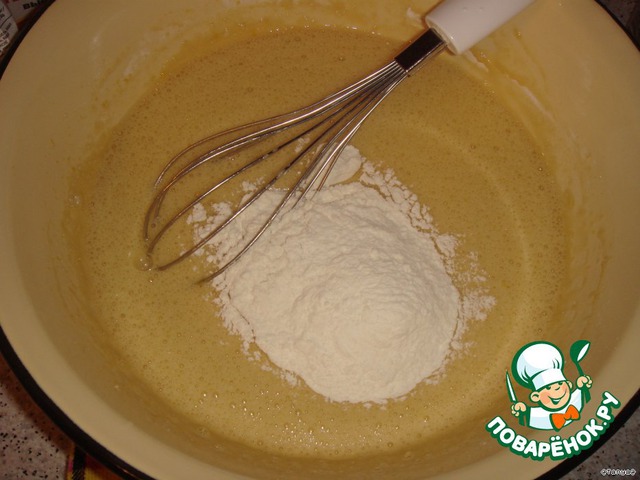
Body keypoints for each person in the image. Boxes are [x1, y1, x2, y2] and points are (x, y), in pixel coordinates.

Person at [510, 341, 592, 431]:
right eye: (548, 388)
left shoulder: (576, 399)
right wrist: (522, 411)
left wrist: (582, 385)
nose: (557, 389)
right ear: (535, 397)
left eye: (560, 384)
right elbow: (524, 419)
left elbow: (586, 396)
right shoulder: (538, 416)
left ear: (569, 384)